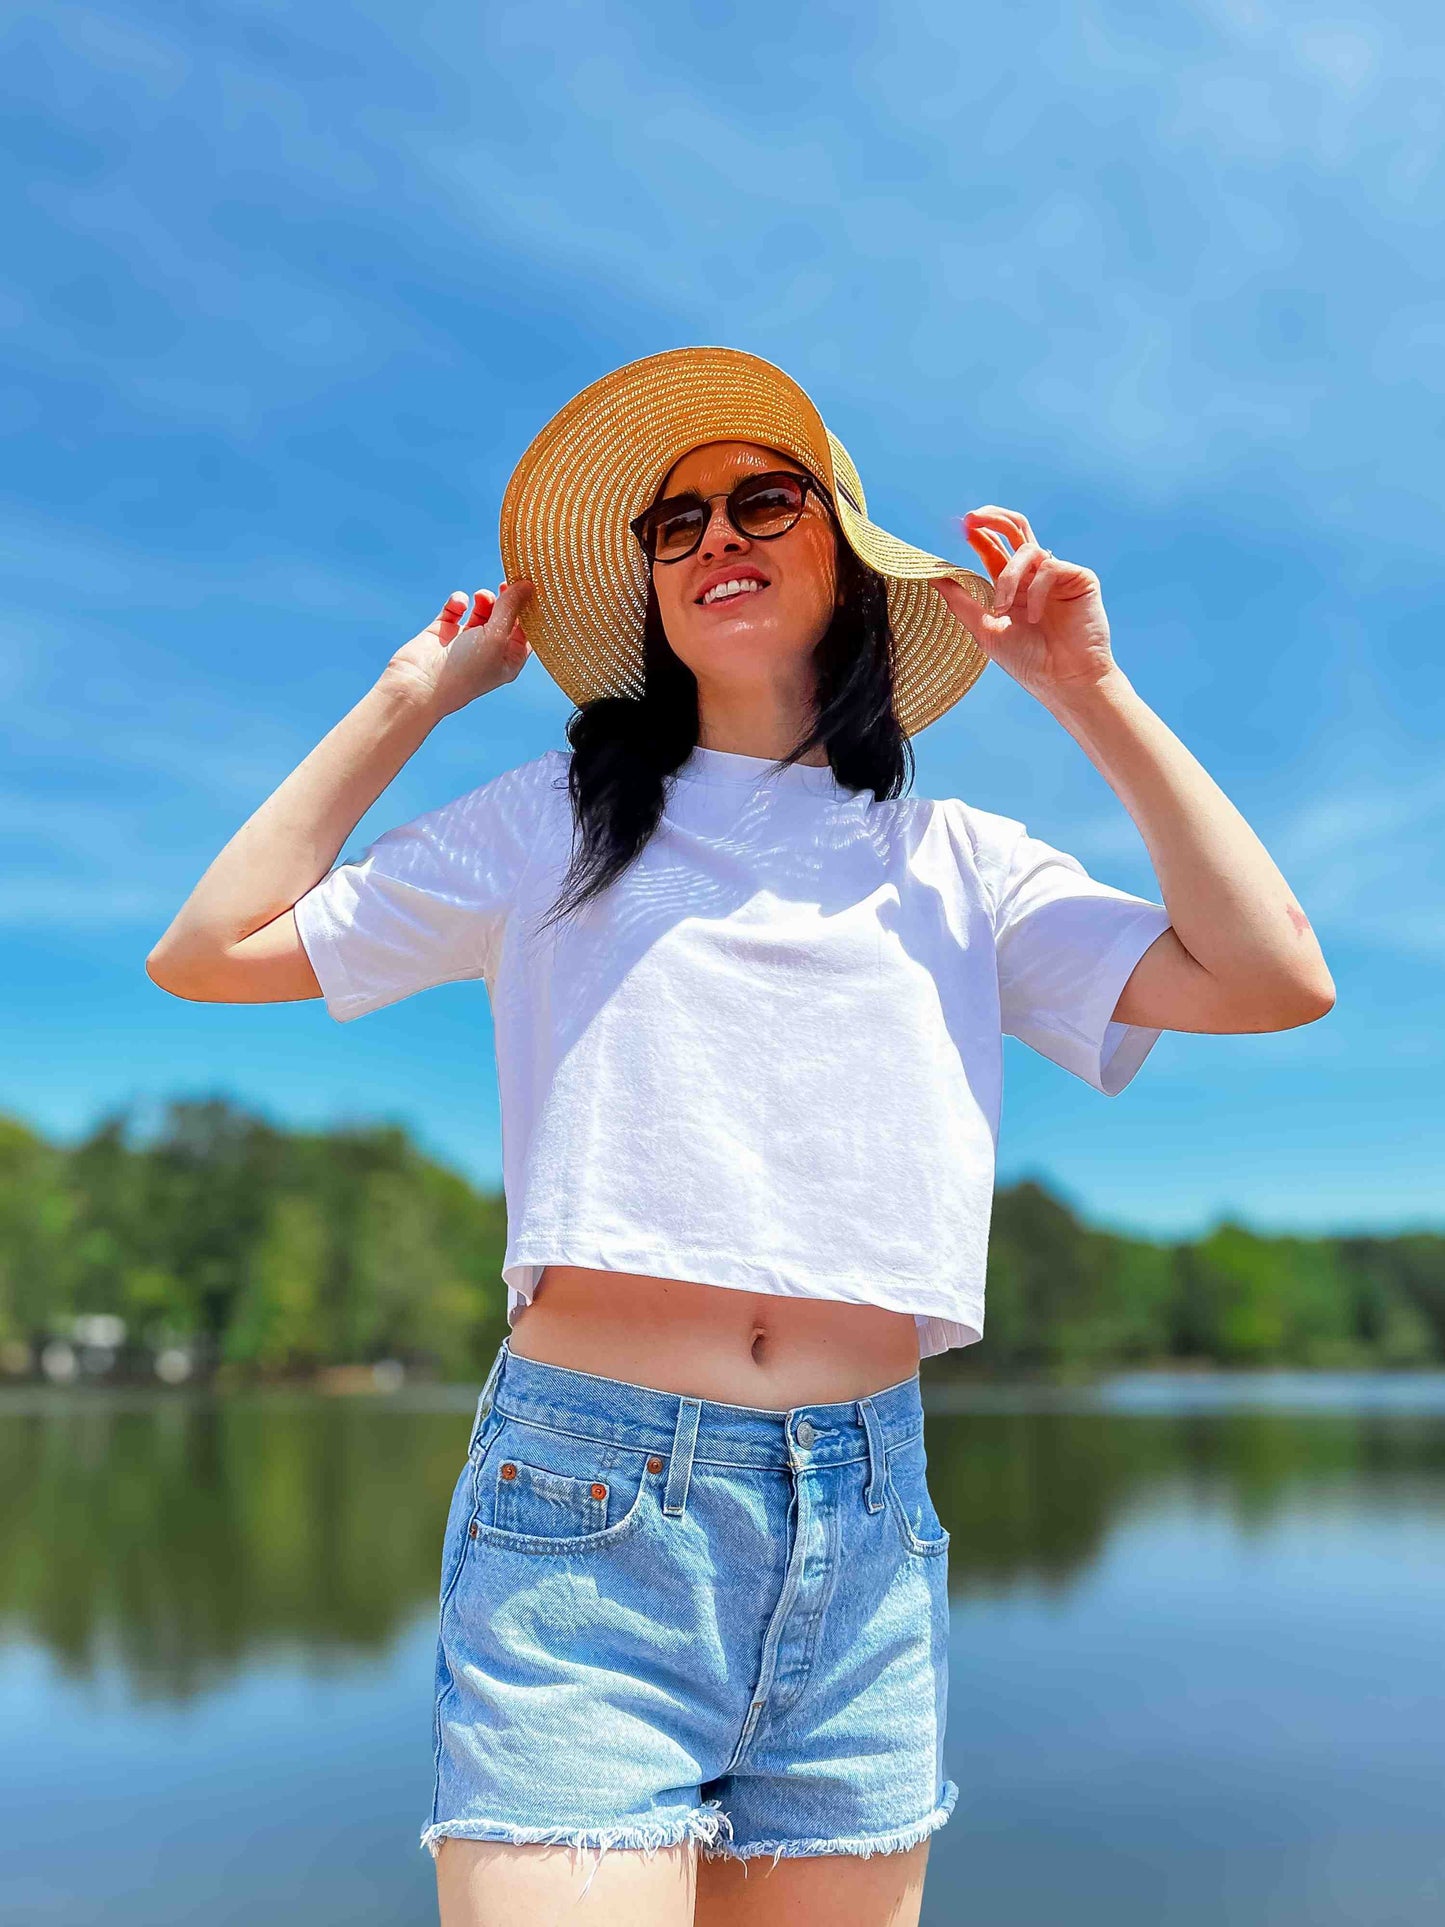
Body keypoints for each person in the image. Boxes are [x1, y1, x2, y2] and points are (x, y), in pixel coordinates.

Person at [146, 348, 1335, 1927]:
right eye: (674, 519)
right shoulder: (550, 824)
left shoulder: (959, 862)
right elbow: (208, 951)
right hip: (584, 1510)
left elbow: (1271, 978)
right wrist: (410, 698)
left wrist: (1088, 695)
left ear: (843, 559)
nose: (713, 534)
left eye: (760, 501)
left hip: (863, 1518)